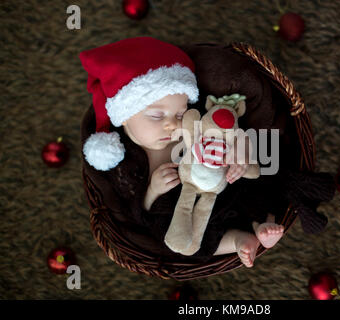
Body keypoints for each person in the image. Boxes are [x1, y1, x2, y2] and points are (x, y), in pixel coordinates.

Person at [80, 37, 284, 267]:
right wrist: (152, 191)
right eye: (157, 116)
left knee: (260, 179)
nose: (172, 125)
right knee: (174, 239)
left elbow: (229, 129)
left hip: (224, 185)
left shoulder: (190, 126)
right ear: (125, 115)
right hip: (187, 214)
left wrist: (240, 154)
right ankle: (237, 241)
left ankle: (264, 221)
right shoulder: (125, 161)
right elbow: (135, 212)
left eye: (179, 114)